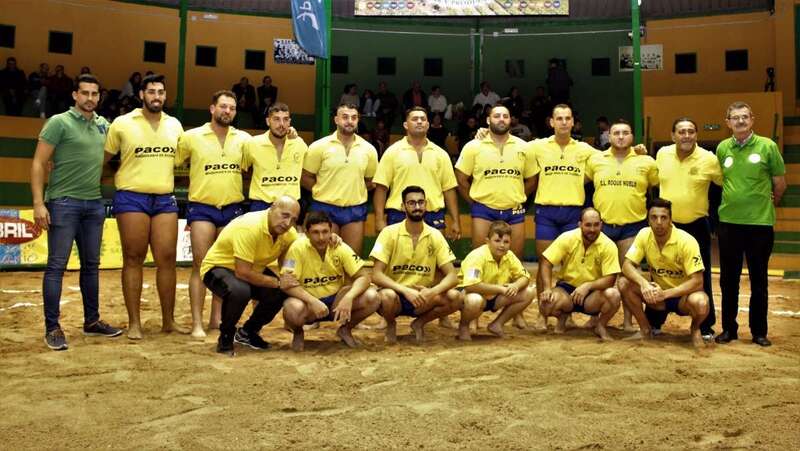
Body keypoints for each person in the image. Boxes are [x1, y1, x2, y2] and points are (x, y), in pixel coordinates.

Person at [31, 73, 122, 350]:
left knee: (91, 267)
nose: (90, 98)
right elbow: (38, 163)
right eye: (85, 93)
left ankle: (92, 322)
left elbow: (106, 157)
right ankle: (53, 327)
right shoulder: (59, 122)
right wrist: (38, 203)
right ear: (75, 95)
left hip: (94, 204)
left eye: (95, 94)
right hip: (63, 203)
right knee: (57, 267)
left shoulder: (103, 126)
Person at [104, 73, 186, 340]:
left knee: (167, 260)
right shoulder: (122, 123)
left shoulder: (175, 125)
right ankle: (134, 323)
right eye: (151, 91)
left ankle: (168, 321)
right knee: (133, 258)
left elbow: (185, 158)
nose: (157, 96)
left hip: (164, 198)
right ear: (141, 95)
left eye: (161, 92)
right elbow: (103, 160)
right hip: (131, 197)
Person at [175, 90, 251, 339]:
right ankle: (196, 322)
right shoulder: (191, 137)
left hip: (232, 208)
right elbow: (172, 161)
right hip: (202, 207)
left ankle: (215, 318)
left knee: (224, 268)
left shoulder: (244, 139)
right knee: (200, 265)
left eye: (231, 107)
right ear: (212, 108)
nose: (227, 111)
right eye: (222, 106)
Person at [714, 102, 786, 347]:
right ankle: (729, 330)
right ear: (728, 122)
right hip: (729, 224)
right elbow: (723, 181)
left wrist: (765, 205)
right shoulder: (723, 148)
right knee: (728, 279)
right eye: (735, 118)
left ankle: (759, 332)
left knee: (759, 279)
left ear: (752, 119)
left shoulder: (768, 146)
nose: (740, 121)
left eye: (745, 117)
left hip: (760, 225)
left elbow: (780, 184)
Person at [200, 196, 300, 355]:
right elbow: (243, 272)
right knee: (240, 291)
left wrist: (332, 241)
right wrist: (279, 282)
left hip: (252, 270)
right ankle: (225, 336)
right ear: (272, 208)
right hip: (218, 267)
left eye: (293, 219)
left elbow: (300, 252)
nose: (287, 223)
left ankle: (248, 332)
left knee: (280, 292)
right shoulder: (250, 226)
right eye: (285, 215)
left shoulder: (288, 233)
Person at [585, 119, 658, 331]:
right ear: (608, 136)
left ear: (632, 137)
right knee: (600, 275)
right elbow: (583, 182)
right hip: (603, 226)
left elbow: (658, 185)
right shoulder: (596, 160)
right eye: (615, 132)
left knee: (629, 277)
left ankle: (628, 321)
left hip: (632, 226)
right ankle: (594, 317)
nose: (620, 136)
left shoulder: (647, 162)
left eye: (625, 132)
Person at [652, 118, 722, 339]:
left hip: (697, 226)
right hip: (666, 226)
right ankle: (655, 321)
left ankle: (705, 325)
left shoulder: (709, 159)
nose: (686, 135)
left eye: (691, 131)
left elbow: (727, 183)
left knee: (701, 275)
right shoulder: (662, 154)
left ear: (696, 135)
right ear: (673, 135)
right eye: (681, 131)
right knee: (658, 272)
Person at [527, 104, 596, 329]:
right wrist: (484, 134)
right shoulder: (538, 146)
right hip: (546, 212)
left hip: (572, 213)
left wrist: (637, 152)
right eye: (559, 118)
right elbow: (512, 146)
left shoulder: (584, 149)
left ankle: (568, 312)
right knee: (544, 262)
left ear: (573, 122)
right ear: (552, 122)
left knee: (570, 267)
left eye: (568, 118)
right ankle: (542, 314)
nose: (564, 122)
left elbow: (610, 157)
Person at [370, 186, 463, 343]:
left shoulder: (435, 235)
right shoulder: (389, 233)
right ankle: (391, 324)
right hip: (396, 296)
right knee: (386, 296)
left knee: (456, 297)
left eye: (420, 202)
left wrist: (432, 292)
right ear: (403, 206)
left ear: (426, 205)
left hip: (423, 298)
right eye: (412, 203)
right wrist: (405, 291)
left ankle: (419, 323)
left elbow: (452, 276)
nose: (417, 207)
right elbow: (376, 275)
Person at [280, 211, 380, 351]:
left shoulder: (338, 245)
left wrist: (349, 298)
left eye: (325, 232)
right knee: (291, 307)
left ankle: (345, 330)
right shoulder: (296, 248)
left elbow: (364, 276)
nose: (321, 237)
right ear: (307, 233)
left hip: (336, 302)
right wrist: (312, 301)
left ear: (331, 231)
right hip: (308, 304)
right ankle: (298, 333)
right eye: (315, 232)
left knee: (373, 297)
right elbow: (287, 284)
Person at [618, 199, 709, 348]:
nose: (658, 222)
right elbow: (627, 266)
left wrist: (666, 294)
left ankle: (695, 329)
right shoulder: (644, 234)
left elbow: (698, 281)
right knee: (623, 283)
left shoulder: (687, 241)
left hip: (682, 298)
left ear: (671, 220)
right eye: (654, 217)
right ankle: (645, 330)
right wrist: (645, 285)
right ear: (648, 220)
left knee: (701, 302)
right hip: (655, 295)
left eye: (663, 217)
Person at [455, 104, 537, 260]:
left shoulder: (524, 147)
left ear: (510, 120)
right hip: (483, 210)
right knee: (481, 260)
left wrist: (518, 197)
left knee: (515, 260)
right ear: (488, 120)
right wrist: (474, 203)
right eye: (497, 116)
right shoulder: (473, 146)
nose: (501, 119)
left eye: (505, 116)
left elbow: (532, 180)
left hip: (514, 210)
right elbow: (460, 178)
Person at [373, 107, 461, 240]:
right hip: (399, 214)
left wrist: (456, 220)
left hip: (433, 215)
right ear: (405, 125)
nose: (419, 122)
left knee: (433, 260)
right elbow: (381, 188)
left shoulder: (441, 154)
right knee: (399, 260)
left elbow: (449, 190)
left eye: (423, 119)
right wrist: (379, 219)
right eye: (414, 119)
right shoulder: (392, 152)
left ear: (427, 125)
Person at [302, 103, 378, 255]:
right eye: (345, 117)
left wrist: (352, 189)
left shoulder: (368, 149)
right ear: (336, 120)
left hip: (354, 209)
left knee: (351, 260)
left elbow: (371, 182)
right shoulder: (319, 146)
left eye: (354, 117)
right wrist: (323, 190)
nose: (349, 121)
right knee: (322, 260)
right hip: (324, 208)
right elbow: (305, 178)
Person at [538, 208, 621, 340]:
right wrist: (547, 288)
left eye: (596, 224)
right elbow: (546, 262)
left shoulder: (609, 245)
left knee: (614, 295)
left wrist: (588, 286)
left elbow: (610, 279)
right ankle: (563, 316)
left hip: (592, 295)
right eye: (588, 225)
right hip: (566, 290)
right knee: (546, 304)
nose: (592, 229)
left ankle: (600, 325)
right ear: (580, 224)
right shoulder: (567, 237)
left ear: (601, 224)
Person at [457, 221, 535, 341]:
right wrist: (501, 289)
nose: (502, 245)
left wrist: (515, 285)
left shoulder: (509, 255)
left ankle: (497, 324)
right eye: (497, 241)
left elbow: (525, 277)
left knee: (528, 292)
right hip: (471, 296)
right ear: (487, 241)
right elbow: (471, 286)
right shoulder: (477, 256)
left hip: (495, 297)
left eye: (506, 242)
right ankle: (464, 326)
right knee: (474, 300)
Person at [242, 102, 307, 211]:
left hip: (290, 205)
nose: (281, 124)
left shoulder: (299, 144)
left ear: (289, 122)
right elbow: (243, 171)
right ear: (268, 121)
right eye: (276, 119)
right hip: (261, 204)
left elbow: (308, 172)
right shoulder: (253, 143)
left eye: (285, 119)